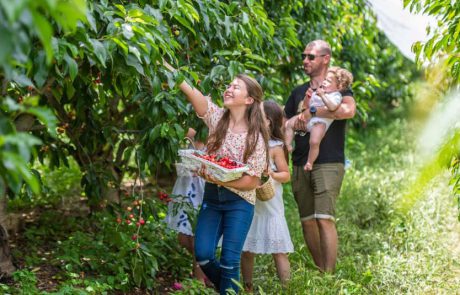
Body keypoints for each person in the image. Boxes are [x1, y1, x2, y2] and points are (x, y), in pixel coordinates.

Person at [164, 60, 269, 294]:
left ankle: (229, 289)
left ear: (249, 100)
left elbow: (252, 181)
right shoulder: (216, 118)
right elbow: (191, 91)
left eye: (236, 87)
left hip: (239, 203)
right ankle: (231, 289)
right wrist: (169, 68)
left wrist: (218, 179)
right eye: (229, 85)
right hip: (213, 199)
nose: (228, 89)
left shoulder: (256, 138)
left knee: (231, 261)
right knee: (202, 254)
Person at [284, 40, 356, 272]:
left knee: (324, 218)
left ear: (325, 59)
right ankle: (320, 270)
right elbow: (286, 122)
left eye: (310, 56)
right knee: (307, 221)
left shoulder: (341, 90)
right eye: (303, 56)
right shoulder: (298, 92)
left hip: (329, 162)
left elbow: (347, 111)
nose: (305, 60)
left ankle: (330, 276)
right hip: (299, 162)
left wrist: (312, 111)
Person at [241, 100, 293, 291]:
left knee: (278, 250)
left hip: (270, 202)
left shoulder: (275, 147)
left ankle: (287, 288)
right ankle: (247, 287)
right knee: (246, 249)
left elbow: (286, 175)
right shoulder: (248, 139)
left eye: (258, 113)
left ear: (269, 121)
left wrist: (269, 173)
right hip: (249, 199)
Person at [285, 67, 354, 171]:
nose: (325, 82)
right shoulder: (317, 92)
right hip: (307, 121)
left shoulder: (336, 96)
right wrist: (307, 97)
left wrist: (322, 96)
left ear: (339, 86)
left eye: (329, 81)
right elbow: (305, 107)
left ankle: (309, 162)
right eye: (325, 79)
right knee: (289, 124)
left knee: (314, 141)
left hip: (319, 123)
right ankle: (288, 145)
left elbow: (332, 107)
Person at [165, 127, 207, 283]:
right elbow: (175, 134)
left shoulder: (214, 136)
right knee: (183, 239)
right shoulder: (191, 134)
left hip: (202, 191)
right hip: (185, 189)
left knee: (197, 238)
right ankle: (207, 269)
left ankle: (199, 282)